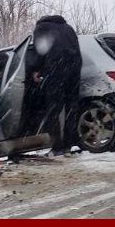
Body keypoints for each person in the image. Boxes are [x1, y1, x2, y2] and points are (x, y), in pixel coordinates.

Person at [28, 15, 82, 155]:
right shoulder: (68, 28)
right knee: (71, 108)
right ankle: (71, 144)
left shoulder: (41, 27)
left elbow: (40, 50)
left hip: (56, 70)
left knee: (53, 110)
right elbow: (77, 49)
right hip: (74, 70)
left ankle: (57, 147)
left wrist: (36, 69)